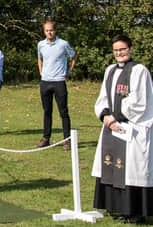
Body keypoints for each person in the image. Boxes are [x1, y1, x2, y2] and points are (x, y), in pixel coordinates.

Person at [92, 34, 153, 224]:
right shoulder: (109, 70)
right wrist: (105, 116)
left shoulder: (139, 71)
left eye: (123, 49)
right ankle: (116, 207)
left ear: (130, 49)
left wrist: (117, 116)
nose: (119, 53)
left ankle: (134, 211)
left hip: (132, 127)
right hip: (112, 126)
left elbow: (139, 101)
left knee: (132, 168)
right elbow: (103, 97)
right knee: (110, 165)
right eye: (116, 50)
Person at [36, 19, 77, 150]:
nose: (49, 33)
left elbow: (74, 56)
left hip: (59, 82)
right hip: (45, 82)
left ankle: (67, 140)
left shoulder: (63, 44)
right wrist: (41, 72)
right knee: (47, 111)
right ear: (44, 31)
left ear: (55, 30)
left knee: (63, 112)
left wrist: (69, 71)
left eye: (51, 30)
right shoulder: (40, 44)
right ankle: (46, 138)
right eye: (47, 30)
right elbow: (39, 58)